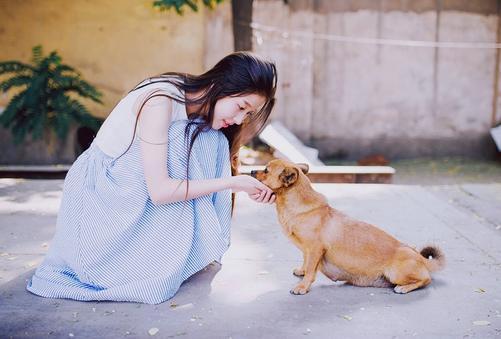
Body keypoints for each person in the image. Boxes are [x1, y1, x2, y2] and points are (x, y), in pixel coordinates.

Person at [26, 51, 278, 304]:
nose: (238, 119)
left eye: (247, 115)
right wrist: (234, 183)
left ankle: (193, 247)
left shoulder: (198, 110)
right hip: (102, 193)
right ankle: (147, 254)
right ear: (219, 85)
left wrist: (242, 182)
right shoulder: (161, 101)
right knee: (190, 139)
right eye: (241, 107)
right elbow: (160, 191)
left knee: (210, 140)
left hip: (134, 184)